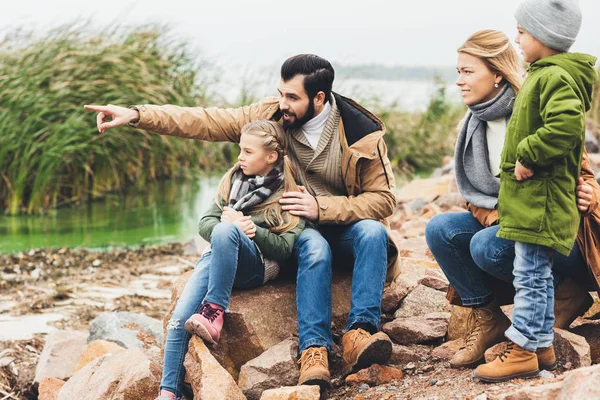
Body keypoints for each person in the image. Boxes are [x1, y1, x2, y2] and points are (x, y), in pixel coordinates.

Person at [84, 54, 399, 388]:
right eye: (281, 93)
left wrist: (322, 208)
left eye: (292, 97)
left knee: (372, 232)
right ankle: (314, 350)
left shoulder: (362, 134)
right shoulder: (271, 117)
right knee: (314, 245)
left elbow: (384, 199)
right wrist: (137, 114)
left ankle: (360, 334)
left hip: (338, 227)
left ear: (319, 98)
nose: (283, 104)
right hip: (290, 234)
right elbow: (206, 121)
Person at [425, 28, 600, 374]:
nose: (459, 81)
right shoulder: (474, 123)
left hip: (558, 233)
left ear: (497, 75)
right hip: (512, 223)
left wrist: (592, 194)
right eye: (457, 72)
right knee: (440, 229)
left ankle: (563, 296)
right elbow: (474, 195)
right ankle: (489, 319)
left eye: (467, 71)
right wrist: (499, 217)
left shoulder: (533, 107)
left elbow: (581, 169)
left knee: (487, 246)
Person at [472, 0, 597, 382]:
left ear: (544, 36)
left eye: (522, 32)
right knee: (537, 273)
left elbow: (566, 124)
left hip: (539, 201)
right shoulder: (545, 73)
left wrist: (528, 153)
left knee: (528, 274)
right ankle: (541, 343)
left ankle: (524, 347)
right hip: (534, 201)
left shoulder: (553, 77)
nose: (517, 38)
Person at [154, 120, 306, 400]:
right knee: (178, 320)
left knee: (227, 229)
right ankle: (168, 393)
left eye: (248, 152)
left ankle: (214, 310)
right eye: (240, 150)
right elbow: (204, 224)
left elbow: (286, 249)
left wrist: (252, 230)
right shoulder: (234, 180)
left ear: (270, 156)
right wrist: (231, 230)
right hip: (217, 257)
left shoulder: (290, 192)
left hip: (256, 265)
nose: (240, 157)